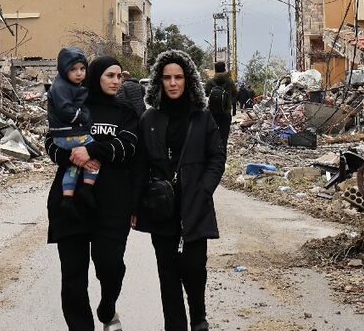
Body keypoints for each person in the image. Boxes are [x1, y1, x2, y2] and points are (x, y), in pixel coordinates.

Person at [134, 49, 226, 331]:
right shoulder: (149, 119)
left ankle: (198, 317)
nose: (173, 83)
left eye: (178, 77)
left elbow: (216, 157)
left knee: (195, 269)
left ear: (188, 81)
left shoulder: (201, 117)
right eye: (167, 78)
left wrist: (204, 189)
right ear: (158, 82)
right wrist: (136, 206)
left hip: (195, 206)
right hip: (161, 208)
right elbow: (139, 165)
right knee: (168, 275)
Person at [45, 56, 139, 331]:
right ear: (96, 77)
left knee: (111, 267)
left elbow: (129, 147)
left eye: (119, 76)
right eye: (110, 75)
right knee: (73, 278)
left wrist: (93, 150)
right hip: (71, 203)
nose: (115, 81)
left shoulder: (126, 112)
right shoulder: (75, 107)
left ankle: (107, 307)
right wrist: (72, 156)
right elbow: (52, 142)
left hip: (111, 205)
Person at [47, 47, 96, 214]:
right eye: (73, 69)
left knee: (72, 167)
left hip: (64, 135)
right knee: (95, 150)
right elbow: (65, 110)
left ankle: (68, 197)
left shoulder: (69, 85)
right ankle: (88, 188)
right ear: (64, 69)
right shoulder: (61, 86)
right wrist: (83, 116)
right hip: (68, 134)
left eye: (82, 69)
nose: (79, 73)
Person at [204, 61, 237, 146]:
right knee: (224, 138)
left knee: (211, 136)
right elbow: (235, 93)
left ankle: (212, 156)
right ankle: (222, 157)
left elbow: (205, 94)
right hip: (225, 112)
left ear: (215, 70)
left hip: (212, 113)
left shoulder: (210, 82)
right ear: (224, 69)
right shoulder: (230, 82)